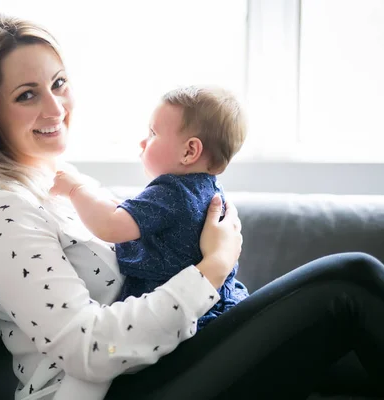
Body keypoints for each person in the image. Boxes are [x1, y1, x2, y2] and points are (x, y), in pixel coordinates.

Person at [0, 13, 384, 400]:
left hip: (160, 365)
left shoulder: (64, 187)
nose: (55, 108)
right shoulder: (2, 213)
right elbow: (89, 349)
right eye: (27, 95)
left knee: (337, 339)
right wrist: (214, 268)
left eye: (58, 83)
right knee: (349, 282)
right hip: (114, 389)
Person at [50, 86, 249, 329]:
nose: (143, 141)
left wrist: (75, 190)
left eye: (153, 133)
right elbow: (132, 214)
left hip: (191, 323)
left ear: (189, 151)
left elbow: (111, 225)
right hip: (219, 305)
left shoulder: (172, 192)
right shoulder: (205, 189)